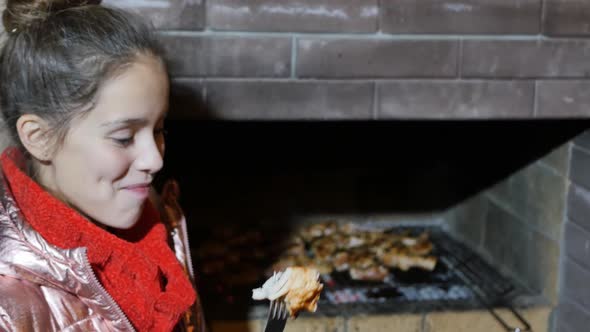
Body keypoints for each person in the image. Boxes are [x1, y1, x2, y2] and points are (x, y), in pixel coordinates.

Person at [0, 0, 205, 331]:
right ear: (39, 137)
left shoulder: (156, 224)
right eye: (124, 138)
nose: (155, 160)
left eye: (159, 130)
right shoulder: (10, 311)